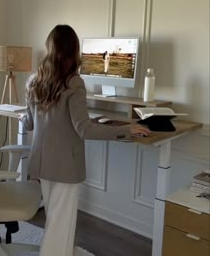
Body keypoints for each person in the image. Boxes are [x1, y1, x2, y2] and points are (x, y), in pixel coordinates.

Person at [19, 24, 150, 256]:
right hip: (65, 167)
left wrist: (27, 113)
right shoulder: (74, 83)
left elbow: (29, 123)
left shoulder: (33, 81)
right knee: (61, 222)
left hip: (42, 162)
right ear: (74, 51)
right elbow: (85, 130)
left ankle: (62, 251)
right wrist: (127, 129)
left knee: (55, 218)